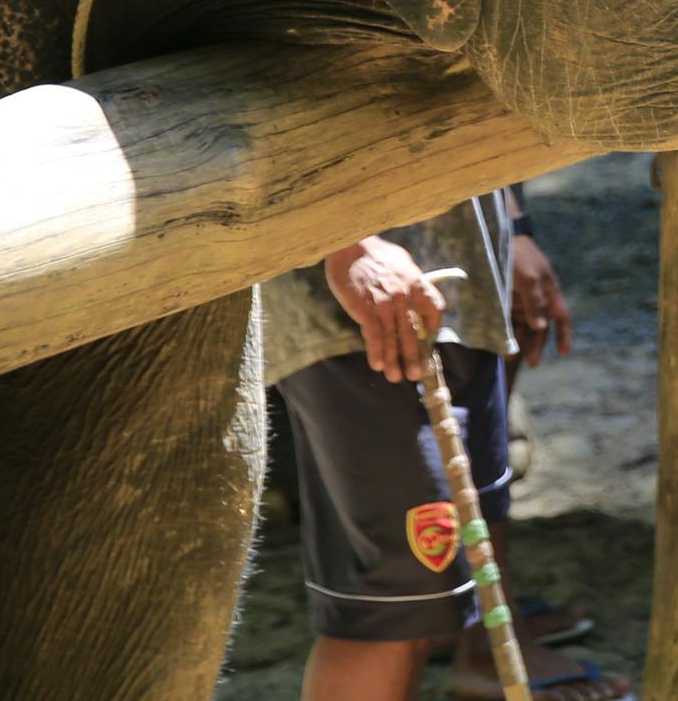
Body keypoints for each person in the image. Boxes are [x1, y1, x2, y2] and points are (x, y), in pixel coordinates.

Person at [264, 190, 632, 701]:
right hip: (359, 311)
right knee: (396, 605)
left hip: (460, 284)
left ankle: (484, 657)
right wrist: (351, 243)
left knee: (462, 539)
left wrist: (514, 228)